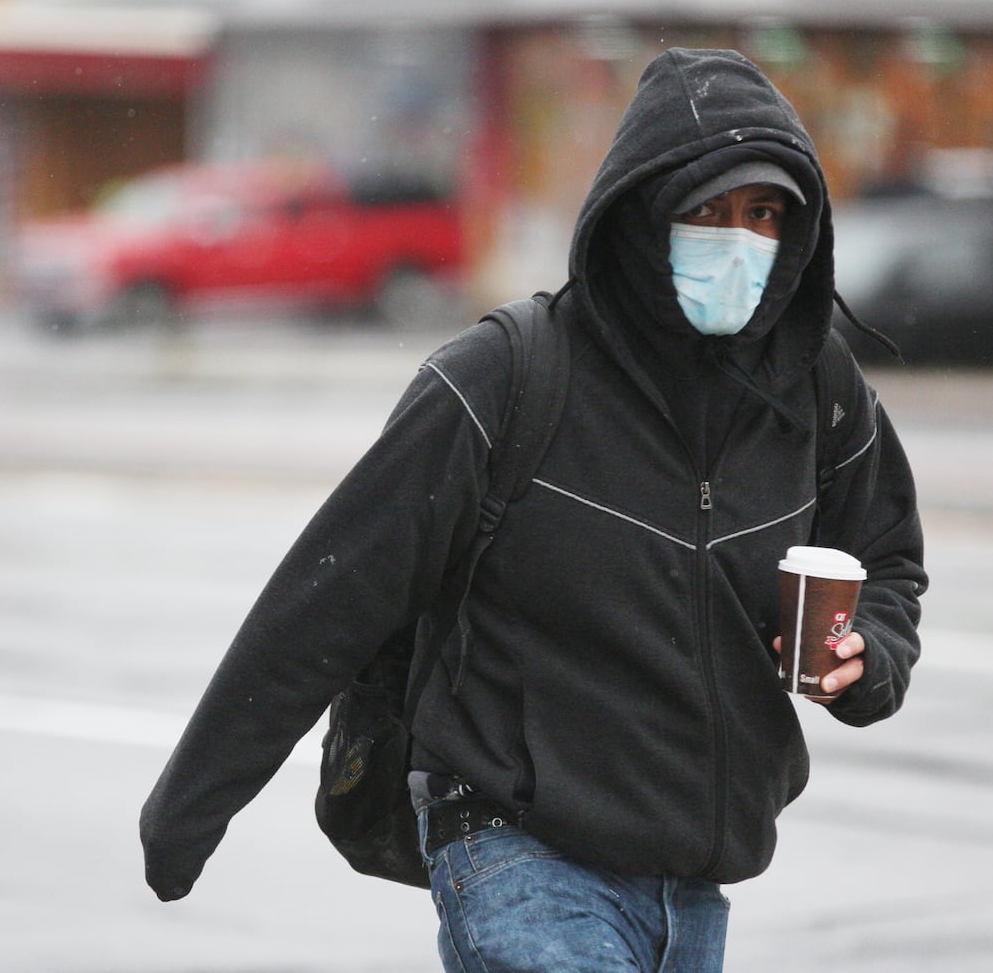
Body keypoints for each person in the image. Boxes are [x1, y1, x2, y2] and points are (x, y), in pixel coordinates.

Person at [140, 47, 926, 972]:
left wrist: (866, 658)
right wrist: (188, 811)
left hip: (695, 885)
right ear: (641, 217)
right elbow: (327, 599)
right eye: (706, 211)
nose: (737, 239)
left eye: (763, 214)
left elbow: (887, 559)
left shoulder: (813, 390)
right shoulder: (507, 378)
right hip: (517, 851)